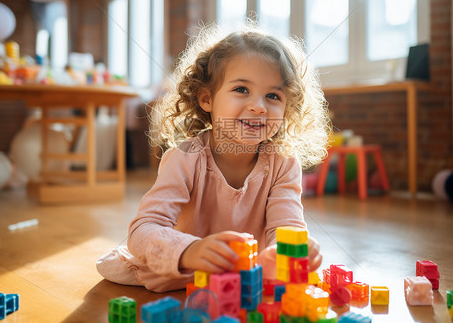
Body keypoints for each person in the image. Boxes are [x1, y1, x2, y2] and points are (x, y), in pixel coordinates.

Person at [96, 23, 330, 292]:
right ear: (207, 99)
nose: (258, 106)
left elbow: (285, 224)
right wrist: (190, 250)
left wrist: (288, 250)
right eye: (242, 89)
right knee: (119, 268)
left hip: (245, 278)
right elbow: (142, 231)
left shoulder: (284, 164)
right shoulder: (185, 158)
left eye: (273, 95)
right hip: (185, 272)